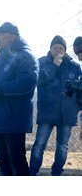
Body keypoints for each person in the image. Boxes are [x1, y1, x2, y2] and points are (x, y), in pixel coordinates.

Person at [0, 22, 39, 176]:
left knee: (17, 163)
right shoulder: (0, 59)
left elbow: (27, 83)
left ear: (13, 37)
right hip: (0, 119)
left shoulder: (26, 56)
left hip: (13, 120)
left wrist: (0, 91)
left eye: (2, 34)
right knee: (4, 163)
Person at [29, 35, 81, 176]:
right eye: (55, 48)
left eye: (61, 48)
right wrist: (54, 66)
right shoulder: (42, 63)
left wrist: (76, 109)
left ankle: (57, 173)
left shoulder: (74, 66)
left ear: (65, 50)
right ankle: (32, 173)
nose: (58, 51)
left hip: (67, 114)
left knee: (62, 147)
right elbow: (39, 81)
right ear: (50, 49)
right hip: (47, 112)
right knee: (39, 145)